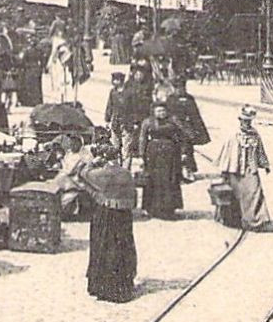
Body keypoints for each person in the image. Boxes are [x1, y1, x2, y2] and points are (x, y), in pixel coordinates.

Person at [74, 144, 138, 302]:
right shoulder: (126, 174)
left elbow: (81, 173)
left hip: (105, 214)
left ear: (104, 158)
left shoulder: (102, 174)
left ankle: (102, 287)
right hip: (124, 215)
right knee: (122, 247)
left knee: (104, 247)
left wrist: (91, 163)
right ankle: (123, 285)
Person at [217, 106, 273, 231]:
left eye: (248, 121)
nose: (246, 123)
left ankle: (256, 221)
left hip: (250, 169)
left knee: (254, 192)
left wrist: (265, 165)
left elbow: (260, 151)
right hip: (234, 169)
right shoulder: (233, 135)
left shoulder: (255, 134)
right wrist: (224, 170)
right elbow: (226, 153)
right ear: (240, 120)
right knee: (234, 195)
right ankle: (233, 220)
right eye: (244, 120)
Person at [137, 101, 188, 220]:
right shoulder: (147, 122)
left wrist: (184, 152)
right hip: (153, 154)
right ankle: (151, 208)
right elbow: (142, 139)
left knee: (170, 179)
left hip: (171, 154)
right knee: (153, 180)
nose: (161, 113)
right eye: (158, 111)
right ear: (154, 112)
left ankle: (169, 209)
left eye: (163, 111)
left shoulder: (173, 121)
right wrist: (141, 155)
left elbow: (183, 136)